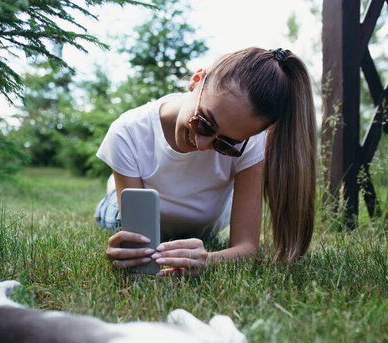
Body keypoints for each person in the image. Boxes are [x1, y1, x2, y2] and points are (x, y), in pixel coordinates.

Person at [94, 47, 316, 276]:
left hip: (202, 225)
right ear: (196, 79)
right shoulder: (128, 132)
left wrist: (208, 260)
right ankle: (113, 187)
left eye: (225, 144)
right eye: (203, 122)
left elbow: (247, 248)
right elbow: (140, 245)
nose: (201, 145)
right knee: (115, 215)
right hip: (119, 208)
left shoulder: (250, 143)